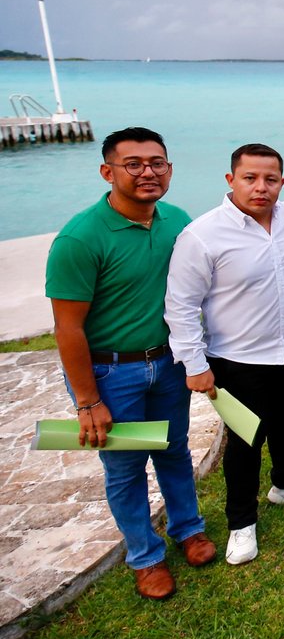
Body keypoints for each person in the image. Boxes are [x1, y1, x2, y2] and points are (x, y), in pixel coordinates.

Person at [45, 127, 215, 600]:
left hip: (166, 365)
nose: (148, 172)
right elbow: (67, 329)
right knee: (124, 468)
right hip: (110, 372)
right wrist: (86, 401)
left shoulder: (178, 221)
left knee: (174, 450)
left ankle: (188, 529)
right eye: (134, 164)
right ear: (108, 171)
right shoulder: (80, 239)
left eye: (157, 163)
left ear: (170, 169)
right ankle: (145, 557)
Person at [164, 143, 284, 566]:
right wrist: (194, 365)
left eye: (270, 179)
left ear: (281, 182)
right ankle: (241, 522)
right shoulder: (202, 235)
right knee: (246, 441)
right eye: (250, 178)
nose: (260, 187)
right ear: (231, 180)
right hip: (238, 359)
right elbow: (180, 305)